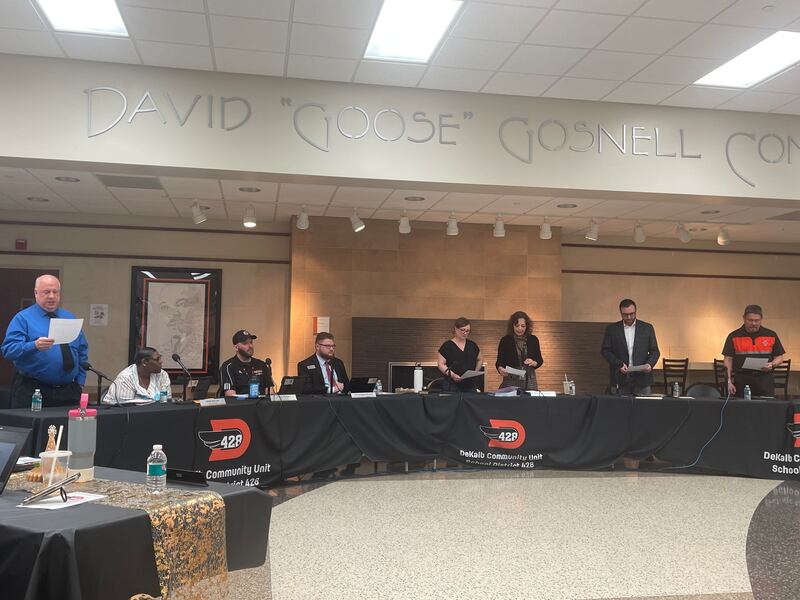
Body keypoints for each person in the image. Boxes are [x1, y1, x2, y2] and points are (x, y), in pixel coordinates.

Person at [1, 274, 89, 408]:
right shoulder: (23, 318)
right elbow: (8, 350)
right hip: (33, 390)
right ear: (36, 293)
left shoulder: (69, 317)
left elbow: (82, 350)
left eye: (55, 292)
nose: (52, 296)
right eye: (46, 292)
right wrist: (34, 345)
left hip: (68, 391)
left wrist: (80, 381)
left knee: (67, 428)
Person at [722, 305, 785, 398]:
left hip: (764, 379)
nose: (754, 323)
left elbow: (779, 357)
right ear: (744, 318)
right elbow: (728, 359)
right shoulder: (733, 336)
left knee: (765, 409)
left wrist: (772, 364)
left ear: (761, 319)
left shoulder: (771, 335)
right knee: (742, 409)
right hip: (742, 379)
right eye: (750, 320)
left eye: (757, 320)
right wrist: (729, 381)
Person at [601, 299, 660, 395]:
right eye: (625, 314)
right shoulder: (612, 329)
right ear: (620, 312)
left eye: (632, 314)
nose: (628, 317)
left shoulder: (647, 328)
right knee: (621, 409)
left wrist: (650, 364)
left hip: (642, 379)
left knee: (643, 408)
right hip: (620, 379)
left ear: (636, 311)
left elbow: (655, 351)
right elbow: (605, 351)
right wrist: (618, 364)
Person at [103, 347, 171, 404]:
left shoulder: (162, 375)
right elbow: (126, 408)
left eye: (160, 358)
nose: (161, 361)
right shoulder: (126, 378)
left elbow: (166, 401)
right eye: (157, 359)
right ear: (144, 362)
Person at [496, 311, 543, 390]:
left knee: (530, 401)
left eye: (523, 326)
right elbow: (499, 361)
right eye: (517, 326)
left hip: (529, 380)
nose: (520, 328)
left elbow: (539, 360)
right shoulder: (505, 340)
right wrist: (500, 369)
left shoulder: (533, 340)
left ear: (527, 326)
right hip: (511, 379)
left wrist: (534, 362)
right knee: (512, 401)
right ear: (512, 326)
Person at [219, 330, 271, 396]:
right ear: (236, 347)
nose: (250, 346)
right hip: (240, 405)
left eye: (251, 342)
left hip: (262, 405)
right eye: (245, 343)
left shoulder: (262, 365)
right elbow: (230, 396)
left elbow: (270, 393)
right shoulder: (228, 366)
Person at [437, 317, 484, 392]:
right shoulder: (447, 346)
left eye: (468, 331)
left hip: (470, 385)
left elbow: (480, 359)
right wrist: (452, 375)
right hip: (452, 385)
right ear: (456, 329)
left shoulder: (472, 345)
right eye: (462, 330)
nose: (465, 333)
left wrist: (475, 372)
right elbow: (441, 364)